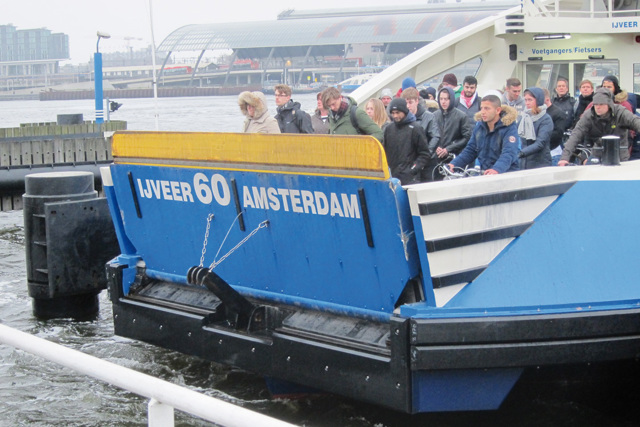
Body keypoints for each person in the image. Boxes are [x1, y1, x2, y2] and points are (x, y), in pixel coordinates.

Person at [558, 87, 640, 165]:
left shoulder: (621, 113)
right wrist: (564, 158)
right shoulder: (588, 115)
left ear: (609, 104)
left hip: (620, 155)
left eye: (601, 104)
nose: (598, 107)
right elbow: (575, 135)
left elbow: (636, 122)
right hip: (596, 154)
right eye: (596, 104)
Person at [449, 95, 520, 175]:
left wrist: (496, 169)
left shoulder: (509, 128)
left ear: (498, 110)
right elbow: (471, 150)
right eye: (481, 108)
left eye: (487, 108)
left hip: (506, 175)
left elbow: (509, 153)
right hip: (486, 174)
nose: (483, 112)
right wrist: (454, 164)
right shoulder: (479, 127)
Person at [382, 98, 430, 185]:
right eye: (393, 113)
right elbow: (384, 151)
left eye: (398, 112)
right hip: (392, 177)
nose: (395, 116)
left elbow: (424, 153)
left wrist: (413, 169)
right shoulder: (389, 129)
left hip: (410, 179)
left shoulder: (415, 128)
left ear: (404, 111)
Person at [428, 87, 471, 180]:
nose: (443, 102)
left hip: (454, 158)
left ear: (451, 99)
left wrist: (449, 148)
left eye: (446, 99)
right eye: (441, 99)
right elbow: (430, 135)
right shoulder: (434, 115)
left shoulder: (461, 116)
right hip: (437, 158)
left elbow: (466, 137)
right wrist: (436, 147)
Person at [518, 87, 553, 169]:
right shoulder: (524, 117)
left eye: (530, 100)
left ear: (538, 100)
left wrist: (521, 153)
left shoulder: (545, 119)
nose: (527, 103)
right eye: (525, 100)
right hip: (523, 163)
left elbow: (540, 144)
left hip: (540, 163)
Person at [542, 88, 567, 166]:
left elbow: (558, 134)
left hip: (553, 152)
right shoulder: (537, 113)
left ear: (547, 99)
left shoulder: (558, 113)